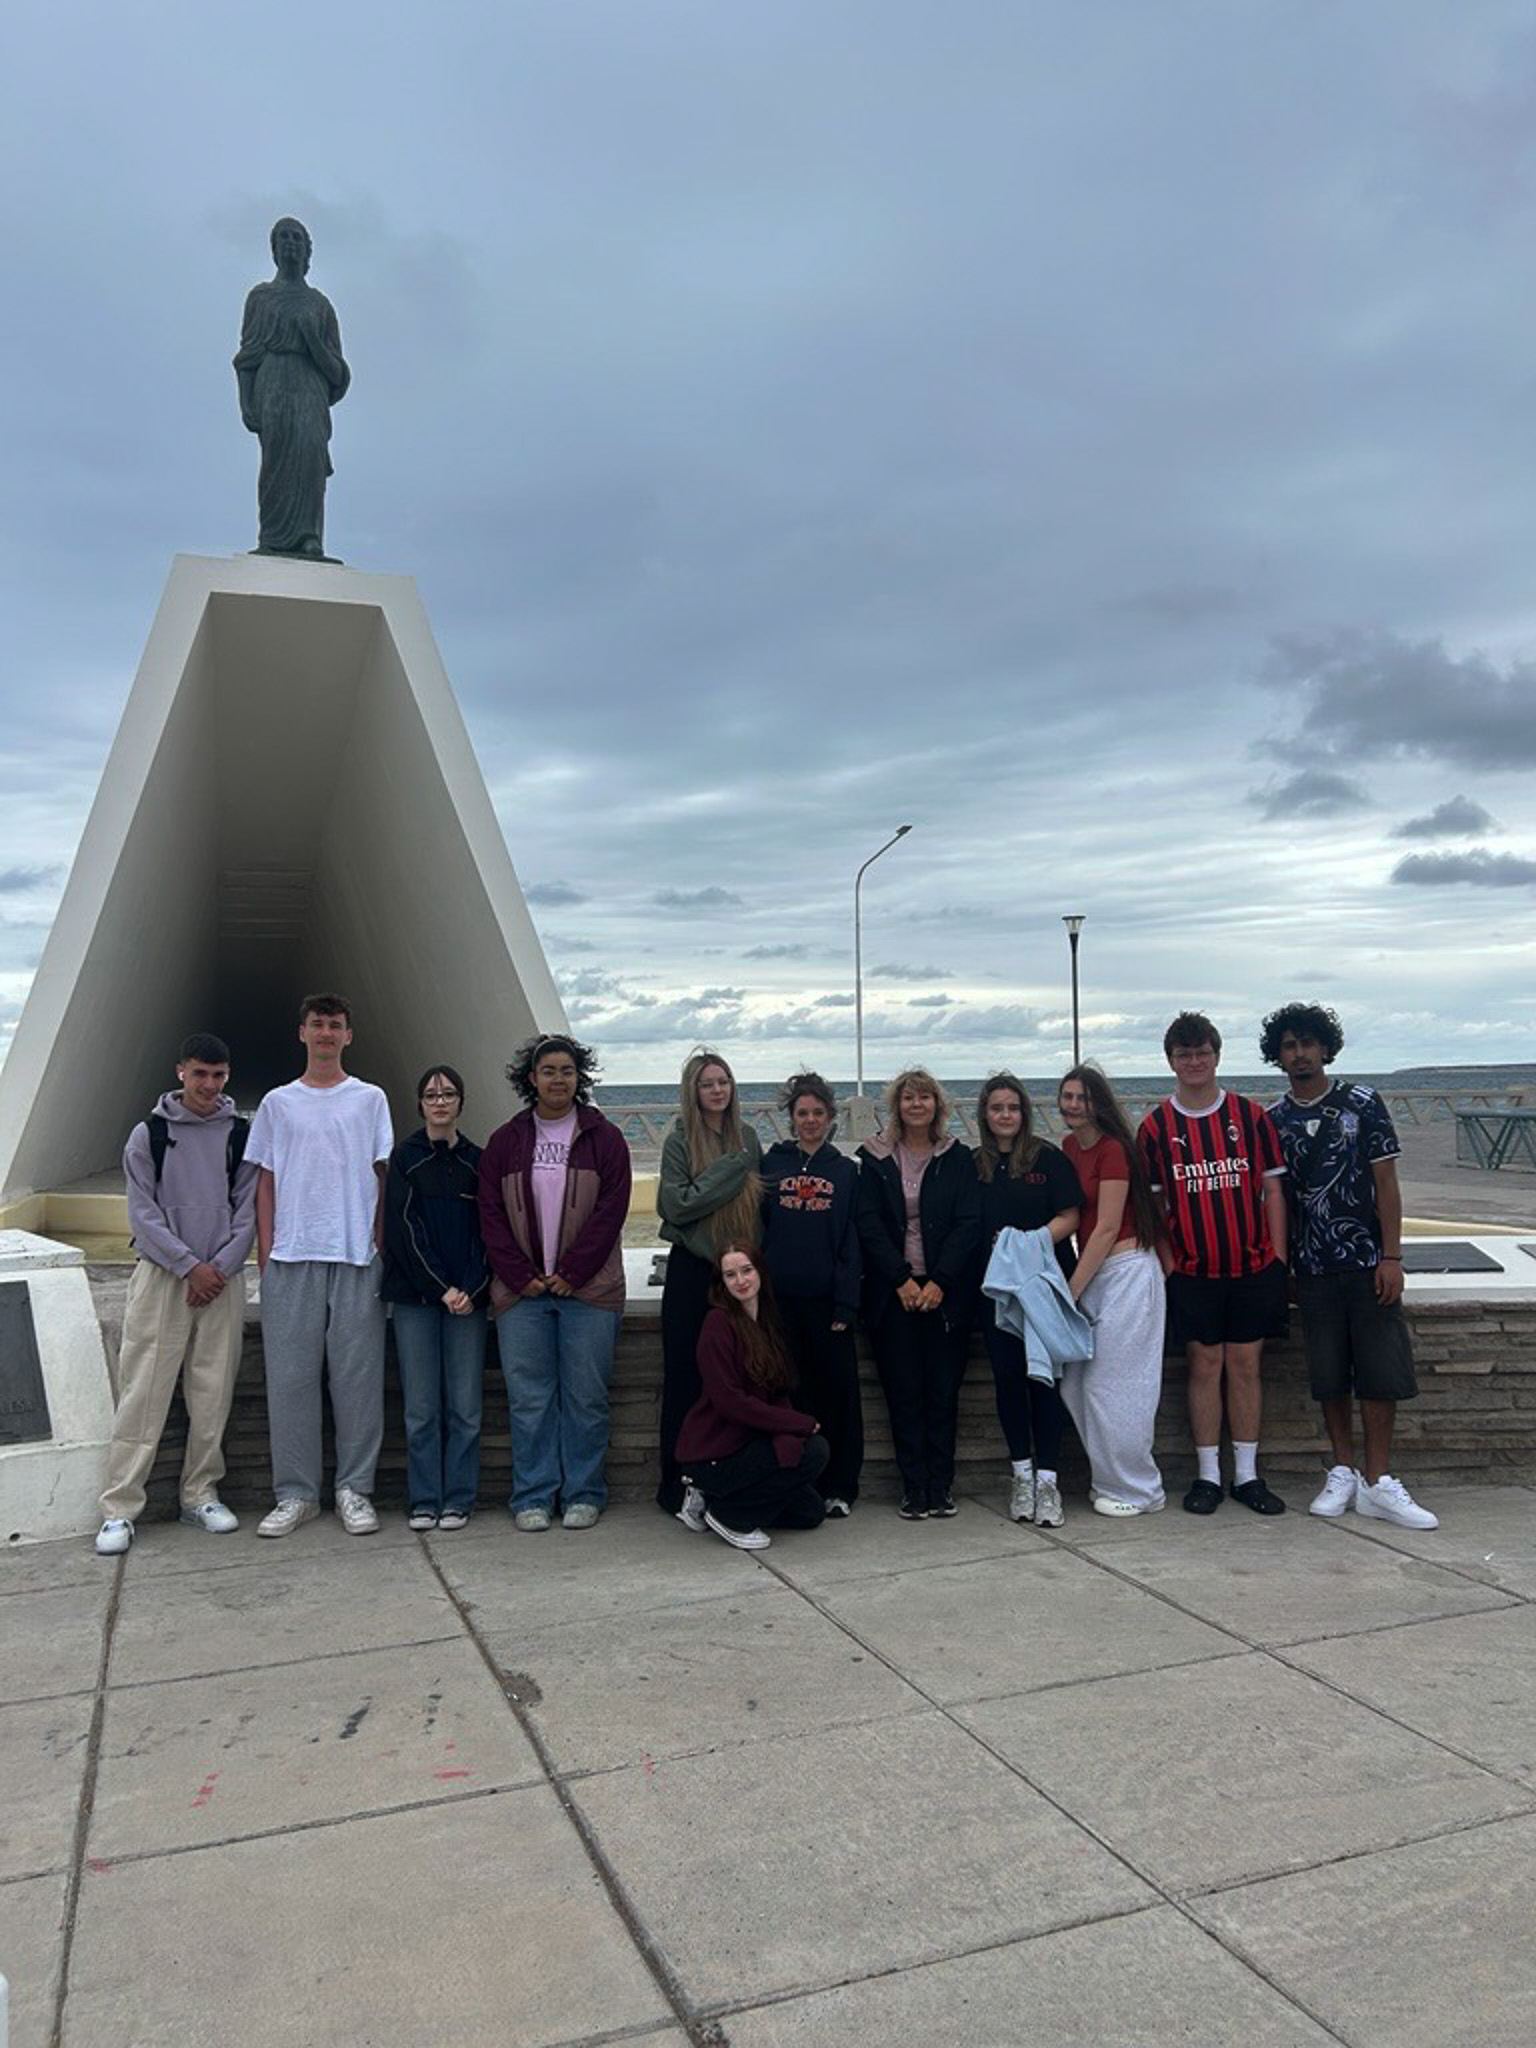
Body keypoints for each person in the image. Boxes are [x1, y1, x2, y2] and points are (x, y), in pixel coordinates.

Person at [1261, 1002, 1438, 1530]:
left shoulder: (1363, 1103)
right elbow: (1279, 1201)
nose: (1300, 1054)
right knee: (1329, 1373)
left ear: (1325, 1048)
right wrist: (1285, 1265)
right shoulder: (1274, 1119)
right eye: (1289, 1046)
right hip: (1312, 1268)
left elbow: (1387, 1184)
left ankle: (1379, 1480)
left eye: (1307, 1043)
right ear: (1279, 1055)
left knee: (1380, 1372)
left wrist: (1392, 1255)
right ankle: (1343, 1470)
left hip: (1366, 1262)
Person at [95, 1034, 258, 1555]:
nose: (208, 1085)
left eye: (218, 1076)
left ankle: (200, 1494)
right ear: (181, 1072)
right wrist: (190, 1267)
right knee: (143, 1391)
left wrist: (218, 1269)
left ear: (226, 1076)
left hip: (221, 1279)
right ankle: (119, 1508)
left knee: (213, 1393)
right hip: (165, 1277)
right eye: (199, 1074)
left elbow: (248, 1210)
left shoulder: (239, 1134)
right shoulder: (150, 1134)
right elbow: (143, 1214)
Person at [246, 994, 393, 1538]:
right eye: (317, 1024)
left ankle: (355, 1490)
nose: (326, 1033)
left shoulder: (370, 1099)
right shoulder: (277, 1103)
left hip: (356, 1257)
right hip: (290, 1256)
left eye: (335, 1025)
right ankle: (297, 1494)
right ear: (301, 1032)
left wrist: (378, 1239)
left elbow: (381, 1174)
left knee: (357, 1382)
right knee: (290, 1382)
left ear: (348, 1036)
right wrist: (265, 1252)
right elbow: (264, 1179)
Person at [478, 1034, 631, 1531]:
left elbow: (611, 1213)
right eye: (549, 1071)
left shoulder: (604, 1139)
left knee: (586, 1398)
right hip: (521, 1295)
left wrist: (571, 1273)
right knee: (529, 1400)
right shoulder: (506, 1140)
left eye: (567, 1071)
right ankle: (533, 1496)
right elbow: (491, 1216)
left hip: (589, 1293)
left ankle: (585, 1492)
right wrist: (521, 1277)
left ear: (578, 1077)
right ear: (532, 1078)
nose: (558, 1079)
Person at [1138, 1012, 1289, 1517]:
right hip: (1192, 1271)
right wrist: (1168, 1264)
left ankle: (1246, 1475)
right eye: (1185, 1055)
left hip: (1252, 1267)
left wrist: (1279, 1258)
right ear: (1171, 1061)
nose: (1195, 1062)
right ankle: (1207, 1476)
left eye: (1202, 1052)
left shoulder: (1250, 1117)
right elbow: (1155, 1206)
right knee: (1203, 1367)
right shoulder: (1157, 1127)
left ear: (1217, 1056)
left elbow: (1272, 1188)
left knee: (1245, 1366)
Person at [857, 1067, 980, 1519]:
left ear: (937, 1106)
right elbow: (867, 1223)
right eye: (908, 1098)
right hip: (895, 1296)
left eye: (924, 1098)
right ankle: (913, 1489)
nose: (916, 1105)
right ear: (897, 1106)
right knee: (904, 1393)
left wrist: (939, 1282)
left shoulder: (956, 1158)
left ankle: (940, 1487)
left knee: (943, 1393)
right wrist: (902, 1279)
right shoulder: (875, 1158)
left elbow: (969, 1224)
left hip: (945, 1295)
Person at [380, 1064, 489, 1532]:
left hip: (468, 1301)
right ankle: (425, 1499)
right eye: (431, 1094)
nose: (440, 1101)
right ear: (420, 1103)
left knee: (465, 1408)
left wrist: (469, 1288)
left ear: (461, 1102)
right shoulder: (405, 1157)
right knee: (421, 1409)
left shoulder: (478, 1161)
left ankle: (459, 1499)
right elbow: (403, 1231)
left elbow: (490, 1232)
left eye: (448, 1094)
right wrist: (439, 1288)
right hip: (417, 1301)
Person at [970, 1074, 1083, 1527]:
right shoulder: (972, 1163)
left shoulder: (1046, 1159)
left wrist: (1027, 1243)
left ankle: (1049, 1483)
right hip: (997, 1292)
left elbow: (1071, 1216)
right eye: (996, 1108)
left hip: (1042, 1288)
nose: (1005, 1115)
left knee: (1045, 1382)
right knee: (1008, 1380)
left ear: (1024, 1112)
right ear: (984, 1113)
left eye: (1012, 1108)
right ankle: (1021, 1475)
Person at [656, 1049, 762, 1518]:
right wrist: (730, 1170)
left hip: (738, 1274)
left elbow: (755, 1213)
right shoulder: (679, 1141)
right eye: (707, 1083)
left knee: (736, 1381)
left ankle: (725, 1482)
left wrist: (700, 1203)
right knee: (684, 1380)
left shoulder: (751, 1139)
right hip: (693, 1273)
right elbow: (675, 1208)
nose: (718, 1090)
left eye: (724, 1081)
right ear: (693, 1092)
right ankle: (675, 1487)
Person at [1057, 1065, 1168, 1516]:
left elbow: (1104, 1228)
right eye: (1065, 1097)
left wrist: (1070, 1291)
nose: (1071, 1106)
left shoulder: (1115, 1151)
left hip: (1127, 1272)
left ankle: (1141, 1490)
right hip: (1097, 1275)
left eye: (1081, 1098)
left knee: (1116, 1387)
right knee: (1075, 1385)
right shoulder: (1068, 1148)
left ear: (1098, 1102)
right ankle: (1111, 1480)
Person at [675, 1242, 828, 1550]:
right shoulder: (717, 1324)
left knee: (810, 1512)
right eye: (730, 1275)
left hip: (750, 1442)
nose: (741, 1281)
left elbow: (777, 1390)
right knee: (815, 1451)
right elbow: (730, 1403)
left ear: (760, 1272)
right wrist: (797, 1425)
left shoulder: (767, 1322)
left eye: (746, 1270)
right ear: (722, 1283)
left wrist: (788, 1435)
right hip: (715, 1451)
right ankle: (728, 1515)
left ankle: (710, 1500)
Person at [758, 1071, 864, 1516]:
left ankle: (841, 1486)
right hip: (780, 1305)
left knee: (838, 1397)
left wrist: (845, 1302)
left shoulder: (845, 1171)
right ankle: (801, 1483)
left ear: (830, 1117)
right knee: (791, 1398)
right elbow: (758, 1230)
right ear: (790, 1117)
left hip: (828, 1307)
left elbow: (851, 1241)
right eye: (802, 1113)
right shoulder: (772, 1165)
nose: (810, 1120)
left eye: (818, 1113)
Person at [233, 217, 351, 559]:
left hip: (310, 390)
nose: (290, 243)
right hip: (272, 385)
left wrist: (313, 340)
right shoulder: (261, 298)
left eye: (297, 237)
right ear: (273, 248)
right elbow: (246, 359)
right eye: (283, 237)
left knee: (310, 455)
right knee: (275, 460)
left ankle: (309, 537)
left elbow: (338, 374)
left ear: (307, 249)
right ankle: (271, 537)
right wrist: (245, 403)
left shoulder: (320, 305)